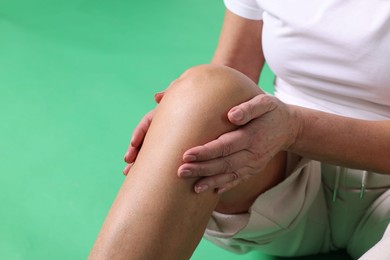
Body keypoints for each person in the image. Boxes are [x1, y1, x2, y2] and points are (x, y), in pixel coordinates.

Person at [89, 0, 390, 259]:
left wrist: (295, 128)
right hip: (286, 175)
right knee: (204, 90)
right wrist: (183, 113)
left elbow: (292, 127)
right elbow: (232, 71)